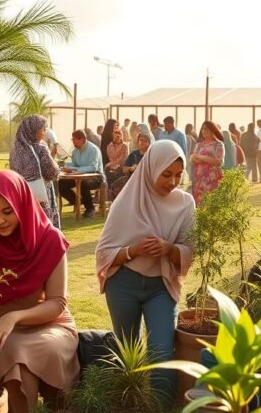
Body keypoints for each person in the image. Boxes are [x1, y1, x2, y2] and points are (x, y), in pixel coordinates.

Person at [0, 170, 77, 413]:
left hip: (48, 324)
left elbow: (57, 303)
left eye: (7, 211)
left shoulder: (50, 240)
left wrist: (13, 318)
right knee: (8, 352)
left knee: (12, 349)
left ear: (22, 205)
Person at [95, 140, 194, 405]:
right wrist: (132, 251)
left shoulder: (185, 204)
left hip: (161, 287)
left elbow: (189, 250)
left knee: (161, 352)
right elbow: (103, 254)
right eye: (166, 174)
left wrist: (168, 248)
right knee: (126, 352)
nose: (173, 181)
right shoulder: (125, 202)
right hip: (123, 285)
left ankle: (160, 406)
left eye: (178, 174)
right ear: (151, 169)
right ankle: (126, 405)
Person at [9, 115, 62, 228]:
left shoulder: (15, 148)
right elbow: (52, 172)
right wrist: (57, 167)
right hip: (41, 196)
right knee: (43, 229)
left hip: (21, 195)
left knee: (27, 227)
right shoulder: (40, 148)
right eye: (43, 129)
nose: (44, 133)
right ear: (34, 130)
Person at [59, 130, 104, 218]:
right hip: (79, 177)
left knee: (83, 183)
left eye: (74, 139)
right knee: (61, 184)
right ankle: (78, 201)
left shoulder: (93, 149)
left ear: (82, 139)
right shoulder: (75, 151)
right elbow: (74, 164)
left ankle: (90, 209)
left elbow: (93, 167)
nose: (72, 141)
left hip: (96, 177)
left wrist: (74, 169)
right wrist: (65, 167)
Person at [190, 121, 225, 205]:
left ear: (212, 131)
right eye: (202, 129)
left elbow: (218, 162)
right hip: (198, 180)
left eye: (206, 129)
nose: (203, 131)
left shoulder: (218, 145)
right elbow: (192, 159)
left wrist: (201, 157)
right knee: (199, 204)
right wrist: (208, 159)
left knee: (211, 204)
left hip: (212, 180)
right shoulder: (199, 145)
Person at [109, 131, 151, 200]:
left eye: (145, 141)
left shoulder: (151, 154)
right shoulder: (134, 154)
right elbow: (124, 169)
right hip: (133, 180)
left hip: (146, 180)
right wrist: (131, 168)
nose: (142, 142)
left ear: (149, 143)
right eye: (140, 140)